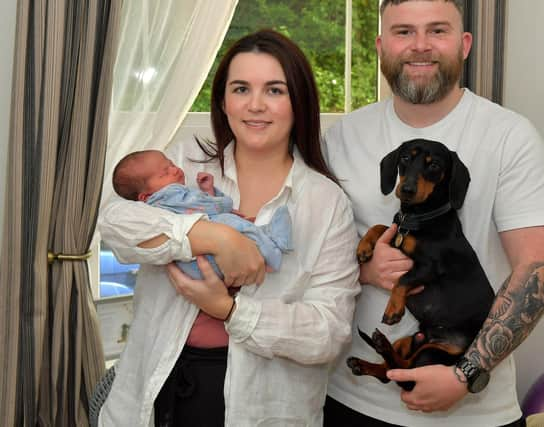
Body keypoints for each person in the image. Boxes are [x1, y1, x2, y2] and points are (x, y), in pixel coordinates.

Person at [97, 29, 360, 427]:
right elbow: (116, 222)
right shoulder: (182, 165)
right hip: (156, 388)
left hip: (263, 406)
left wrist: (230, 310)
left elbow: (328, 331)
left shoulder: (325, 202)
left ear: (299, 102)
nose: (255, 106)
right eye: (240, 89)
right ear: (223, 101)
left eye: (274, 90)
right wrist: (217, 237)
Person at [321, 1, 544, 426]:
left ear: (465, 44)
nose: (420, 46)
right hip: (351, 401)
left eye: (437, 31)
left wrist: (466, 372)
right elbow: (312, 253)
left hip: (473, 411)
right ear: (381, 46)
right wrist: (361, 270)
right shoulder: (341, 137)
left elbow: (539, 269)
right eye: (403, 32)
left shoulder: (510, 136)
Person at [111, 149, 293, 278]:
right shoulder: (167, 196)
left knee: (234, 224)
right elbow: (208, 208)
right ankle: (271, 253)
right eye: (164, 173)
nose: (175, 170)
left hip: (197, 266)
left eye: (171, 164)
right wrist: (224, 203)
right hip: (204, 260)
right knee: (233, 224)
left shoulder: (169, 199)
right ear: (146, 196)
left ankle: (265, 239)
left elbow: (199, 208)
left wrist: (208, 191)